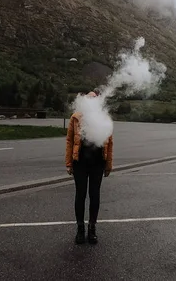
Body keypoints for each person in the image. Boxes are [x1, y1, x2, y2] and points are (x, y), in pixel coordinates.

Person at [65, 91, 113, 245]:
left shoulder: (104, 119)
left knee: (94, 195)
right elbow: (69, 141)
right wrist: (68, 163)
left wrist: (108, 165)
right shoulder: (76, 118)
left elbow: (109, 143)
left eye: (94, 99)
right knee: (80, 195)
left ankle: (92, 228)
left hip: (98, 163)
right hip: (80, 163)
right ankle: (80, 229)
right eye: (89, 99)